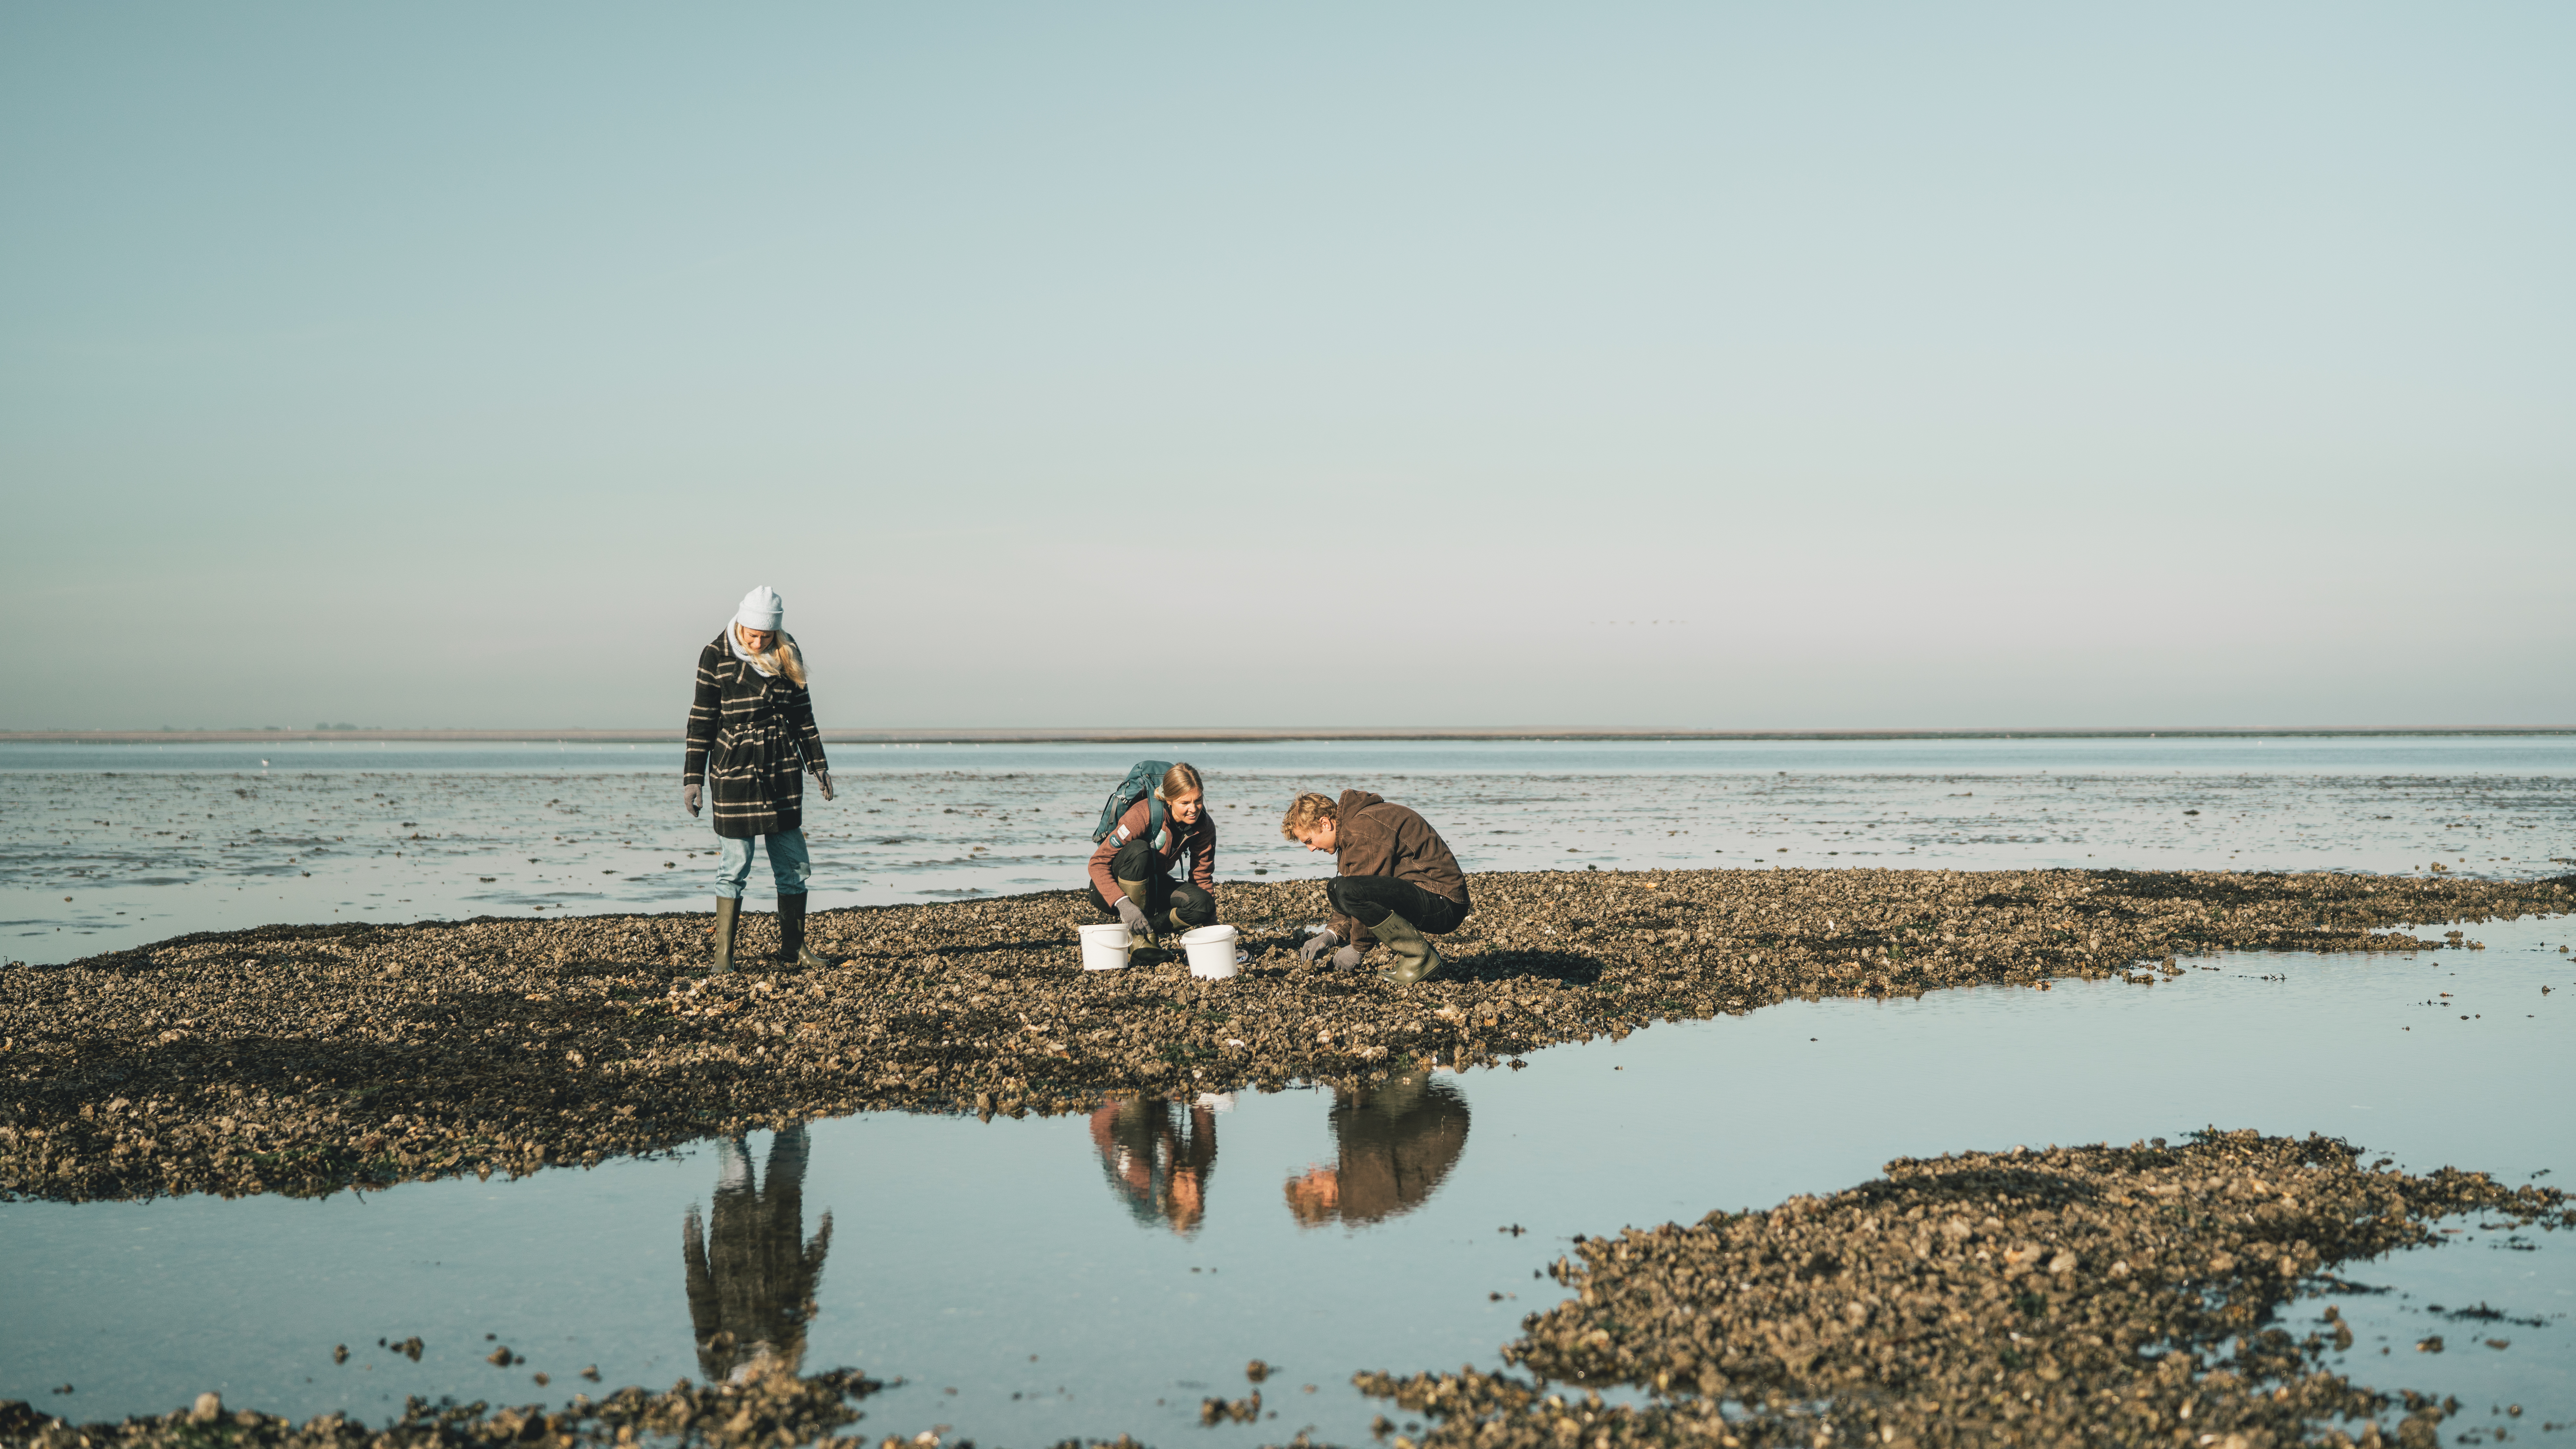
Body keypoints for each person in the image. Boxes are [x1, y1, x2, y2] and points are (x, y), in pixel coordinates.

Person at [684, 585, 834, 974]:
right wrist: (692, 778)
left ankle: (793, 950)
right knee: (734, 865)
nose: (757, 641)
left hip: (781, 765)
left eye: (765, 636)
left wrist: (818, 765)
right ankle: (723, 957)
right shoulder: (715, 655)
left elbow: (803, 713)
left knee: (795, 865)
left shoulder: (788, 651)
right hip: (734, 766)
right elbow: (701, 719)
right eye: (753, 634)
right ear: (742, 624)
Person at [682, 1125, 833, 1382]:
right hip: (781, 1221)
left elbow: (701, 1300)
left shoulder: (718, 1361)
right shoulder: (786, 1354)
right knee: (792, 1135)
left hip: (733, 1226)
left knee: (731, 1141)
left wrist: (693, 1246)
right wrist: (819, 1247)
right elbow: (803, 1292)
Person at [1282, 789, 1469, 984]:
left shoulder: (1361, 829)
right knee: (1337, 888)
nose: (1311, 849)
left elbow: (1360, 892)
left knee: (1345, 889)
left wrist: (1358, 949)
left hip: (1445, 902)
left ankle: (1420, 959)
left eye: (1310, 841)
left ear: (1325, 823)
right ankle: (1418, 956)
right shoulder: (1353, 829)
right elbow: (1359, 888)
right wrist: (1331, 935)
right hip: (1431, 896)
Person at [1282, 1070, 1470, 1228]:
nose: (1313, 1168)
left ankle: (1402, 1071)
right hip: (1447, 1121)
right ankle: (1413, 1069)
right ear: (1326, 1197)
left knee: (1344, 1121)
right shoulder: (1360, 1195)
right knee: (1352, 1130)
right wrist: (1357, 1074)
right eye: (1311, 1179)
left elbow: (1353, 1115)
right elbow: (1368, 1131)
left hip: (1434, 1122)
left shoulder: (1355, 1194)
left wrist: (1344, 1073)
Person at [1086, 762, 1216, 945]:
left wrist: (1214, 932)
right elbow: (1097, 863)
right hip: (1110, 891)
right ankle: (1137, 936)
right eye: (1185, 803)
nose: (1194, 809)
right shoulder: (1143, 814)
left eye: (1198, 800)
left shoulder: (1204, 826)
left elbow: (1202, 877)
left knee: (1204, 905)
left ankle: (1145, 930)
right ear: (1169, 800)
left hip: (1153, 887)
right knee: (1140, 849)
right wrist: (1125, 906)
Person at [1087, 1095, 1219, 1235]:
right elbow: (1205, 1107)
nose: (1194, 1182)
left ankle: (1130, 1094)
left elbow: (1107, 1132)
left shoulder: (1141, 1180)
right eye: (1200, 1193)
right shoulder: (1199, 1173)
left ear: (1170, 1197)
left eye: (1187, 1189)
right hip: (1148, 1125)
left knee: (1136, 1110)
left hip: (1111, 1120)